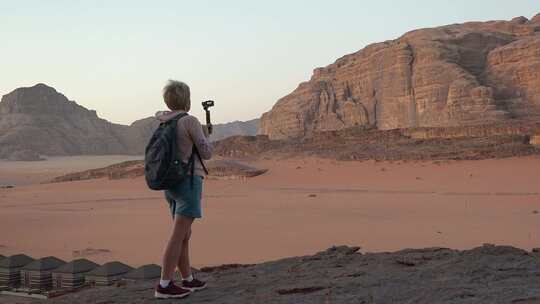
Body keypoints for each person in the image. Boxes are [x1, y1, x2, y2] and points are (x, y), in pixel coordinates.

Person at [154, 80, 212, 299]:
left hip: (171, 183)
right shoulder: (189, 121)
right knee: (178, 234)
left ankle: (187, 279)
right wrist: (205, 136)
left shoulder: (164, 122)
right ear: (186, 99)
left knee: (185, 234)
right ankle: (164, 284)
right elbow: (206, 153)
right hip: (188, 181)